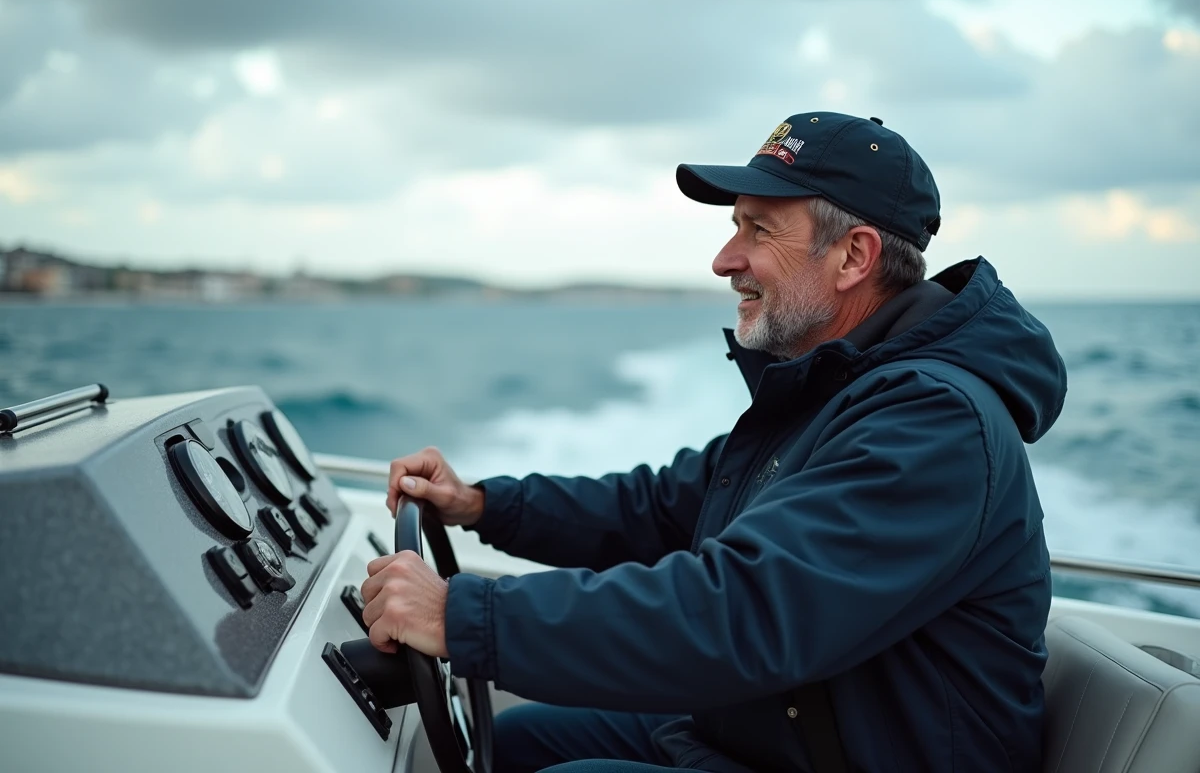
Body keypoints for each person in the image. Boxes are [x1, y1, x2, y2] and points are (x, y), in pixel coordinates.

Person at [359, 111, 1068, 772]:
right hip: (768, 733)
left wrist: (462, 616)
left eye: (759, 231)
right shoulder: (834, 389)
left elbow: (747, 613)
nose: (725, 260)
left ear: (853, 256)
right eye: (736, 227)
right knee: (518, 742)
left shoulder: (933, 423)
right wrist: (482, 505)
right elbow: (661, 509)